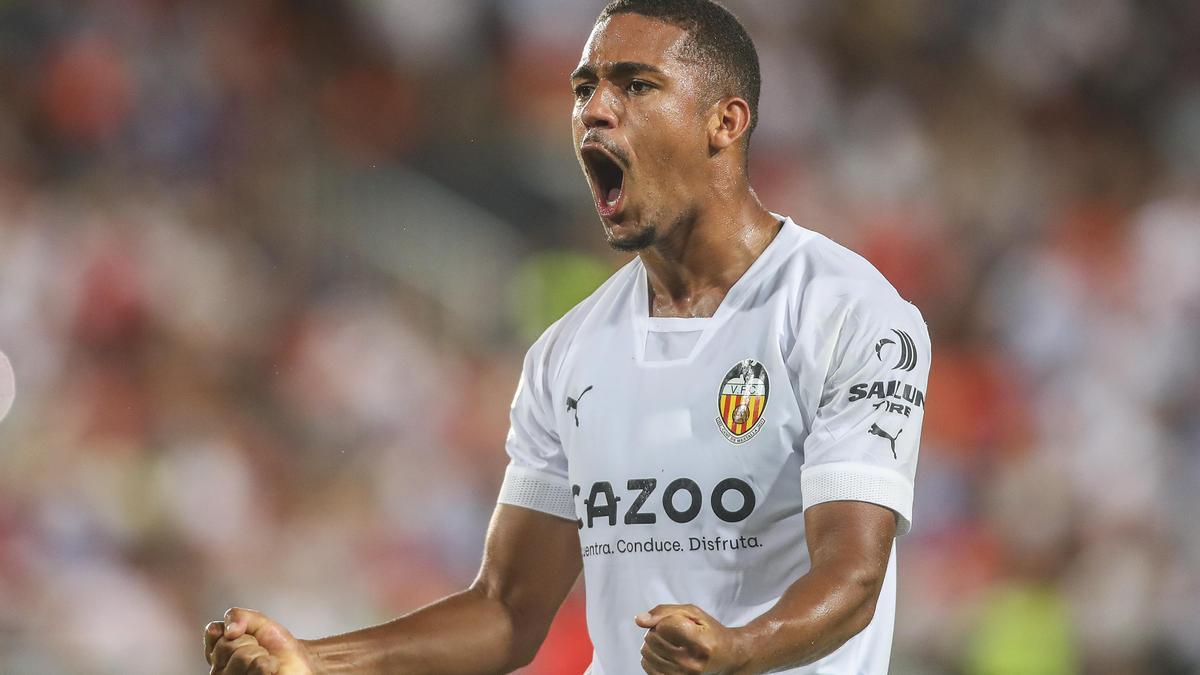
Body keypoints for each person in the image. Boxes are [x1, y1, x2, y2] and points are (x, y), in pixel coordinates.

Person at [203, 1, 931, 673]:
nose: (595, 112)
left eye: (636, 86)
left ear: (726, 121)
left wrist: (738, 649)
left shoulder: (849, 313)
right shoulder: (568, 353)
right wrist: (314, 660)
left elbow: (852, 573)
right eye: (585, 89)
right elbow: (506, 608)